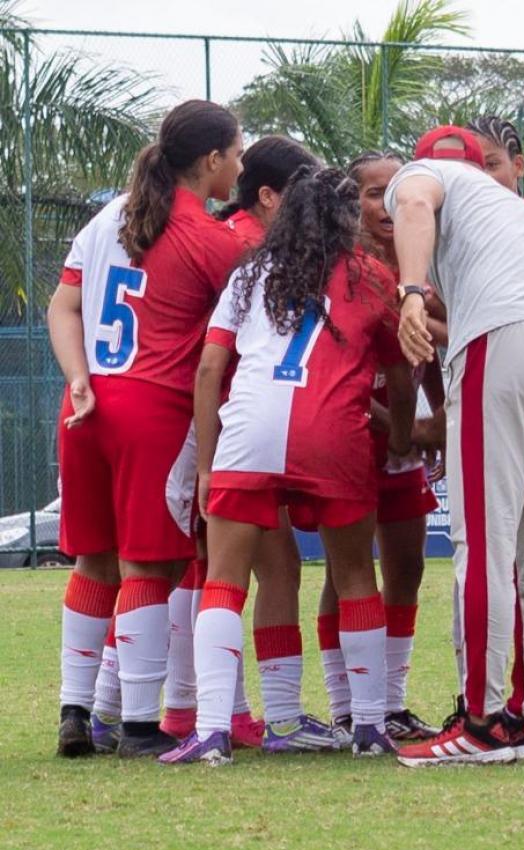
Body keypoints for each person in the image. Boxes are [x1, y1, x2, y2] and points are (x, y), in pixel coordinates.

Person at [158, 162, 416, 765]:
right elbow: (400, 379)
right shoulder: (371, 276)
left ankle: (214, 731)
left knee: (225, 579)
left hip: (250, 430)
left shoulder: (251, 273)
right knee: (354, 575)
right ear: (346, 218)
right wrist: (401, 437)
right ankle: (370, 728)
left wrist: (205, 465)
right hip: (332, 434)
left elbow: (208, 371)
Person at [385, 125, 524, 766]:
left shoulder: (423, 180)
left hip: (505, 342)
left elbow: (416, 203)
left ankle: (480, 721)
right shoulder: (510, 205)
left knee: (484, 541)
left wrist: (411, 290)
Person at [50, 100, 245, 758]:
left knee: (93, 560)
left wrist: (78, 376)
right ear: (211, 160)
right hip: (153, 411)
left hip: (85, 408)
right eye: (235, 153)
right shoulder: (210, 239)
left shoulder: (110, 216)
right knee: (148, 565)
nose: (240, 165)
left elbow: (64, 305)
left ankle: (74, 712)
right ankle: (137, 723)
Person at [313, 150, 443, 746]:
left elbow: (437, 351)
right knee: (346, 572)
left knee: (408, 567)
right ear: (353, 203)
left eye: (396, 191)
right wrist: (396, 424)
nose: (387, 204)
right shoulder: (344, 268)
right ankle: (348, 707)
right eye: (372, 193)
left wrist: (435, 419)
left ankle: (389, 703)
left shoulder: (426, 259)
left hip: (401, 438)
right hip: (353, 435)